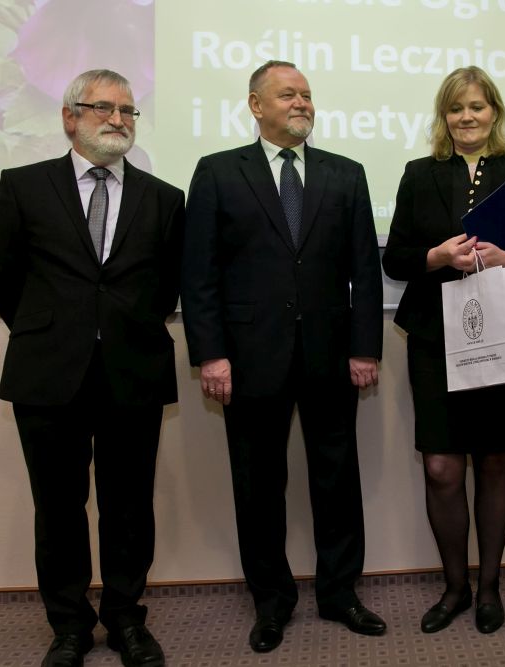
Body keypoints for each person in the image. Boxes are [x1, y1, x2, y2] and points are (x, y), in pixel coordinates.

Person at [180, 60, 385, 653]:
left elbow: (364, 272)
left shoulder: (346, 173)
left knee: (337, 480)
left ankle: (340, 593)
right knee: (258, 485)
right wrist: (211, 355)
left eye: (307, 95)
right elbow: (199, 274)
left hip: (331, 355)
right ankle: (271, 602)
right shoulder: (218, 172)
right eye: (287, 94)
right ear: (255, 105)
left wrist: (365, 347)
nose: (301, 103)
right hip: (249, 358)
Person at [0, 69, 183, 667]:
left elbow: (166, 286)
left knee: (129, 507)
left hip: (133, 368)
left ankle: (125, 619)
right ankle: (69, 626)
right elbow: (3, 279)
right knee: (58, 508)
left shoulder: (164, 197)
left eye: (128, 110)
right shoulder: (23, 186)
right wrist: (51, 330)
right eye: (103, 108)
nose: (118, 119)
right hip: (48, 371)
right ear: (70, 116)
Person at [382, 66, 505, 634]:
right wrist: (437, 257)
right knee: (441, 466)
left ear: (495, 112)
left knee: (494, 461)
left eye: (478, 106)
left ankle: (489, 589)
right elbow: (395, 259)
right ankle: (455, 587)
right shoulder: (418, 174)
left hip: (504, 331)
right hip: (435, 338)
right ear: (444, 116)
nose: (467, 117)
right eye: (456, 107)